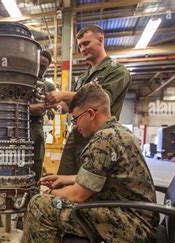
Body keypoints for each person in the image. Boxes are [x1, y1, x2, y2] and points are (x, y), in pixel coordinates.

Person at [12, 83, 159, 243]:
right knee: (53, 199)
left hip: (131, 224)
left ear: (91, 113)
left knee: (39, 205)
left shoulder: (103, 141)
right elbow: (102, 177)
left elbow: (78, 195)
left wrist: (46, 195)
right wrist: (65, 179)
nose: (74, 125)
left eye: (75, 118)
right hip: (138, 217)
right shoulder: (118, 132)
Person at [45, 24, 131, 176]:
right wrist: (53, 102)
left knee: (89, 186)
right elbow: (68, 108)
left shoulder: (117, 71)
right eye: (79, 46)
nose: (82, 49)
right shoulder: (83, 78)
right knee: (63, 181)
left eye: (86, 43)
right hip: (77, 136)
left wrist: (63, 94)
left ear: (100, 40)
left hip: (99, 139)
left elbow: (99, 99)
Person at [29, 50, 56, 181]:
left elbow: (52, 112)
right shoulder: (19, 81)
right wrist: (30, 109)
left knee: (35, 169)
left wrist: (45, 109)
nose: (40, 69)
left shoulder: (48, 86)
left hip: (36, 133)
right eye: (37, 64)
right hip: (15, 131)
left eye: (44, 67)